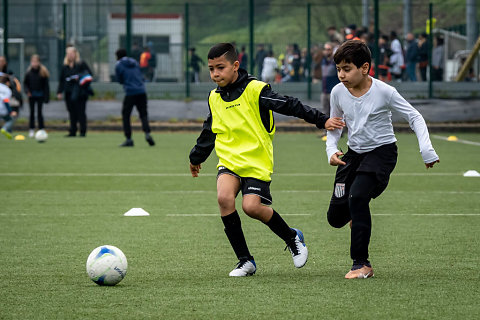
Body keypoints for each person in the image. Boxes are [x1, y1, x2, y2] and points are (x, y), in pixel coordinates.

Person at [188, 43, 344, 277]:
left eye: (220, 67)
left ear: (235, 66)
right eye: (211, 69)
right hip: (229, 160)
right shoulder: (214, 97)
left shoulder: (255, 90)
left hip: (256, 160)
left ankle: (292, 237)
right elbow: (210, 130)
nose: (215, 74)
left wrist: (322, 120)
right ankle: (245, 261)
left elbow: (289, 104)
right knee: (224, 198)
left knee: (251, 207)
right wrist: (196, 157)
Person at [326, 40, 440, 279]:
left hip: (382, 152)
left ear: (364, 68)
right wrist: (331, 149)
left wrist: (426, 150)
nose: (341, 75)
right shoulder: (337, 92)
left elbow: (415, 116)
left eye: (347, 69)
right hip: (353, 154)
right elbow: (335, 125)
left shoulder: (384, 91)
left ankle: (361, 265)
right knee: (335, 218)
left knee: (357, 197)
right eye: (338, 69)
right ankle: (356, 217)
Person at [115, 48, 155, 147]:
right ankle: (147, 134)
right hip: (141, 90)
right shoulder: (135, 62)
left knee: (126, 115)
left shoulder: (119, 65)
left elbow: (119, 79)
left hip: (130, 92)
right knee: (143, 113)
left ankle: (129, 139)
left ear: (117, 56)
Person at [57, 46, 93, 137]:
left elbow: (89, 75)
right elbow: (62, 80)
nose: (70, 55)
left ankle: (82, 131)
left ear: (75, 54)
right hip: (69, 92)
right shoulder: (65, 67)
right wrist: (60, 91)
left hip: (80, 93)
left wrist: (78, 78)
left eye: (71, 53)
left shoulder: (81, 64)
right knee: (71, 112)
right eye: (68, 54)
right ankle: (72, 131)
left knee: (81, 112)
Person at [23, 54, 50, 138]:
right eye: (33, 62)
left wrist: (46, 97)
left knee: (39, 113)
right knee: (32, 113)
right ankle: (31, 129)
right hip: (32, 95)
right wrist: (27, 91)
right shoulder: (28, 73)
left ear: (39, 62)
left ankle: (41, 129)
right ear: (31, 62)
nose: (34, 63)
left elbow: (46, 86)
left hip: (40, 95)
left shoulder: (43, 73)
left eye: (36, 62)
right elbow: (25, 84)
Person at [321, 42, 340, 116]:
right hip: (324, 91)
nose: (327, 51)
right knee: (324, 113)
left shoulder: (335, 62)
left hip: (333, 91)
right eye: (325, 49)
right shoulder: (323, 61)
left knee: (335, 113)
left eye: (328, 49)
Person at [0, 73, 15, 139]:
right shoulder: (8, 90)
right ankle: (4, 128)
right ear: (7, 82)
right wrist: (10, 111)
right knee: (10, 120)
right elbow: (5, 101)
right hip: (2, 109)